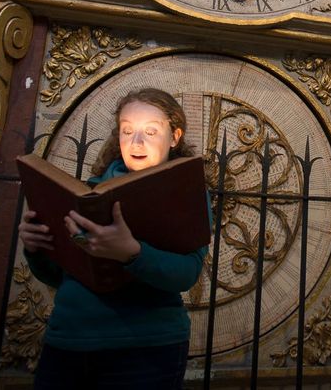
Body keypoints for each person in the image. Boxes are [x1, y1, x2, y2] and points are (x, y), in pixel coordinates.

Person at [18, 88, 210, 389]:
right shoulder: (87, 194)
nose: (136, 142)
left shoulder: (185, 193)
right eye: (127, 131)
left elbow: (187, 274)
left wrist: (132, 253)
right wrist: (36, 248)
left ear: (174, 137)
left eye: (150, 131)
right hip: (69, 340)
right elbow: (59, 276)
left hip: (146, 348)